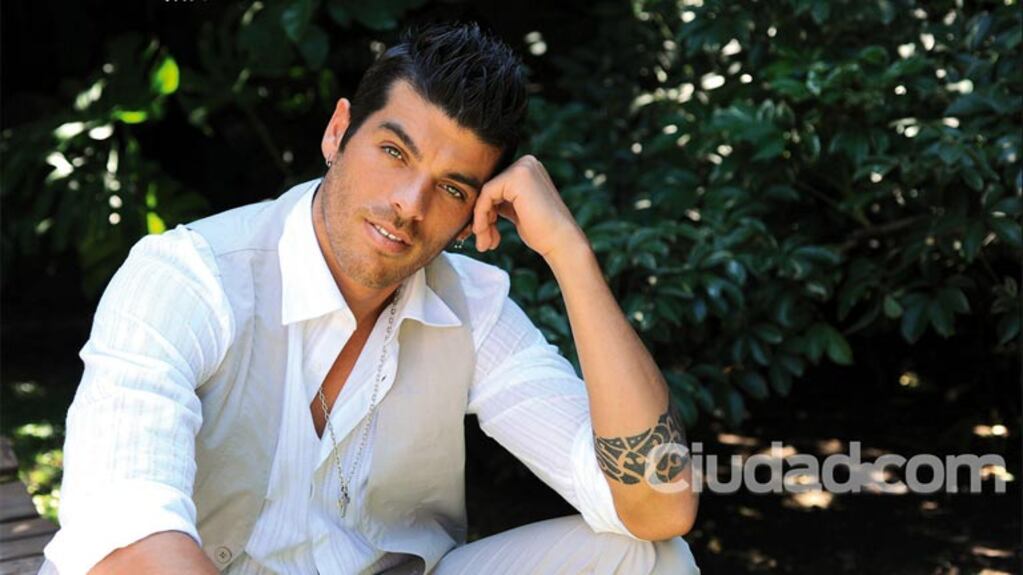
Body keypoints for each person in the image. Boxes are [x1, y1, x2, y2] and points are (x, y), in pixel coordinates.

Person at [40, 22, 700, 575]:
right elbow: (129, 538)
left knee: (649, 557)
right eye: (393, 151)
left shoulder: (471, 309)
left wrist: (570, 255)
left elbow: (659, 502)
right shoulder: (189, 278)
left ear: (474, 213)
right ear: (337, 133)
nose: (408, 204)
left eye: (451, 188)